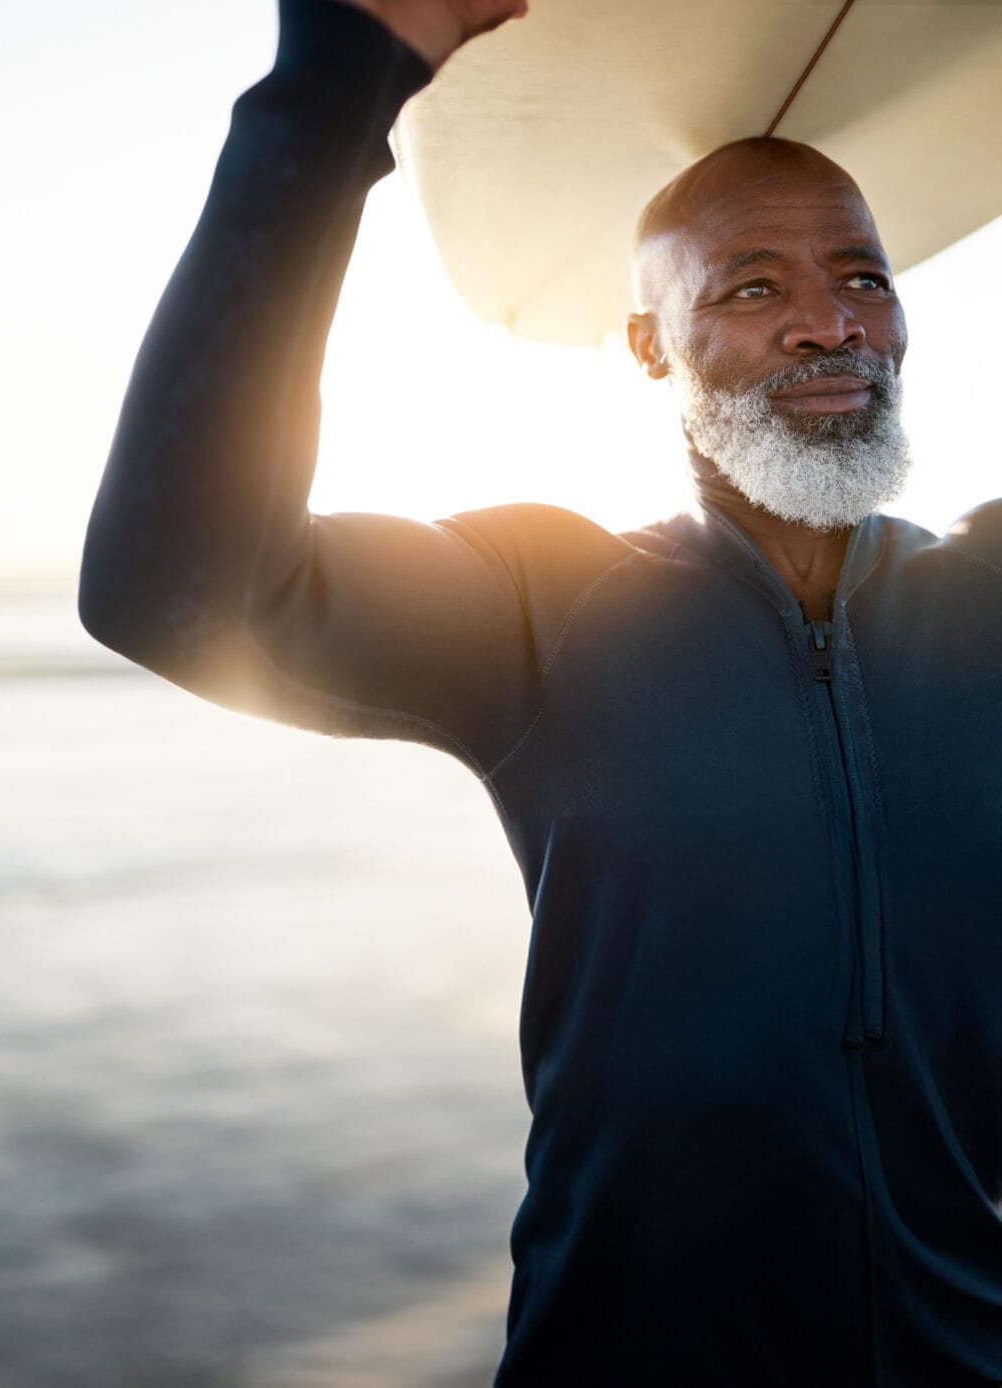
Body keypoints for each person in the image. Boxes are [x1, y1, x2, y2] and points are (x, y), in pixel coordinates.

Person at [75, 0, 1002, 1382]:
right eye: (752, 287)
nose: (828, 324)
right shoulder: (542, 605)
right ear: (650, 347)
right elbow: (172, 584)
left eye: (863, 278)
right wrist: (336, 84)